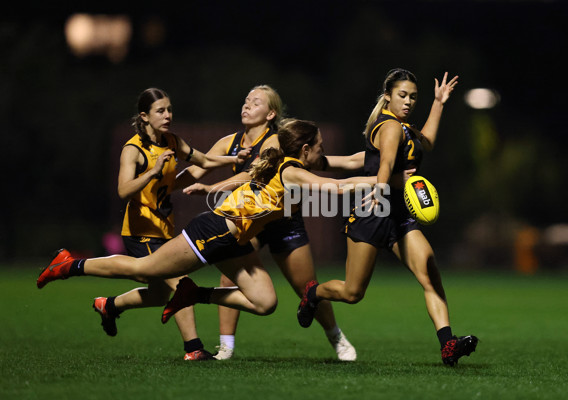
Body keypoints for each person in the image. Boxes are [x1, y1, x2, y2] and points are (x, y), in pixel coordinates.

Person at [36, 120, 378, 362]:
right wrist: (384, 182)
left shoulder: (288, 166)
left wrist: (383, 167)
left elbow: (341, 168)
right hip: (214, 231)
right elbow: (334, 187)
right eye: (320, 147)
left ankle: (193, 293)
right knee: (144, 268)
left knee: (264, 302)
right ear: (305, 149)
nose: (324, 152)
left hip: (235, 241)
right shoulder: (291, 169)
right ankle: (69, 265)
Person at [295, 69, 479, 366]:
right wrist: (383, 189)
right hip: (373, 212)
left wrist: (439, 102)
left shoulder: (406, 127)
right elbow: (386, 163)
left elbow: (427, 142)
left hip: (400, 216)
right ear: (388, 96)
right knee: (353, 292)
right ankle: (314, 293)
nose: (408, 102)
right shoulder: (390, 127)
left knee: (430, 274)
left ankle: (448, 345)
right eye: (402, 95)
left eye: (413, 97)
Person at [176, 85, 361, 361]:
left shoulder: (276, 141)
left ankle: (336, 336)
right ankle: (226, 348)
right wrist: (163, 182)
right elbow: (197, 168)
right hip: (254, 222)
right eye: (246, 100)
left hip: (284, 221)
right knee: (229, 274)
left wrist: (213, 187)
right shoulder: (231, 142)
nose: (247, 105)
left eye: (256, 102)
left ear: (271, 113)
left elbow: (250, 177)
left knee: (307, 287)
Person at [90, 87, 249, 361]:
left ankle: (110, 305)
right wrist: (152, 172)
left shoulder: (172, 142)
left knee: (160, 294)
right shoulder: (133, 149)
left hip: (163, 228)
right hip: (140, 231)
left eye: (169, 109)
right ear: (144, 116)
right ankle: (194, 349)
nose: (167, 115)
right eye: (160, 111)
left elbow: (205, 159)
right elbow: (123, 191)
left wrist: (234, 159)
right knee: (180, 284)